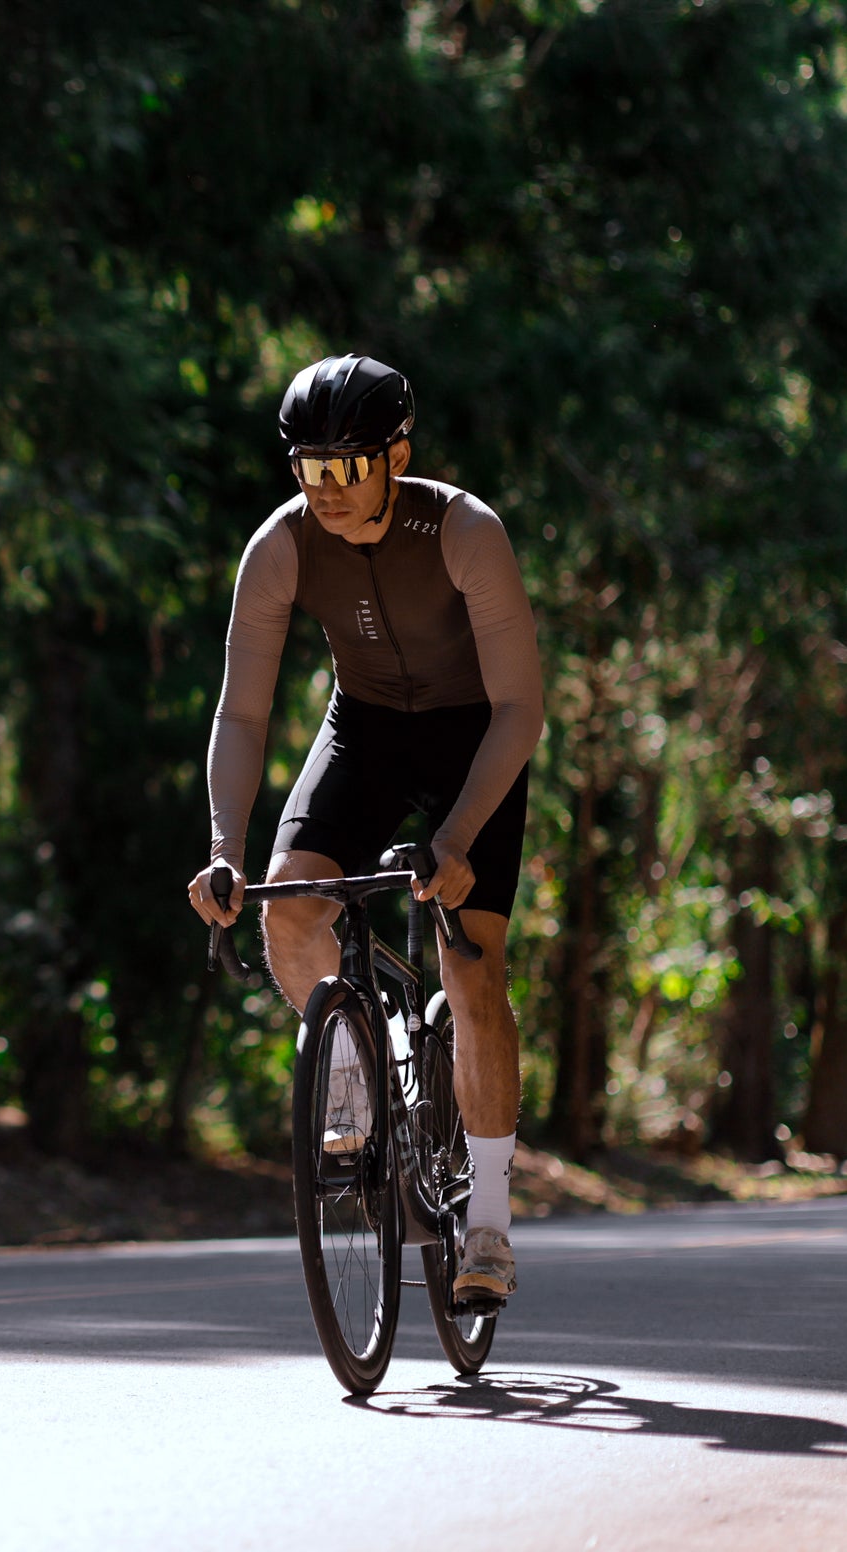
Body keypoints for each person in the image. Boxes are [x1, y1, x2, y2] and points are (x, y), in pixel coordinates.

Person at [185, 354, 543, 1301]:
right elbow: (243, 717)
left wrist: (460, 836)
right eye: (309, 469)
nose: (327, 492)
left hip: (477, 735)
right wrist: (224, 850)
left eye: (347, 468)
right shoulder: (282, 546)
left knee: (473, 970)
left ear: (398, 456)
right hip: (369, 728)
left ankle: (492, 1228)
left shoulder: (464, 531)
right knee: (289, 909)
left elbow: (520, 708)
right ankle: (356, 1065)